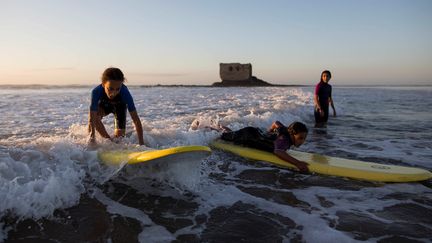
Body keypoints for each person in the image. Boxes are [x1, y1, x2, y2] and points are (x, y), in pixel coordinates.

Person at [220, 121, 309, 173]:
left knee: (232, 134)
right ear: (291, 134)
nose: (302, 141)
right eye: (300, 138)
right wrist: (298, 163)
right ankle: (209, 129)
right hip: (248, 136)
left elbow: (276, 123)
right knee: (222, 136)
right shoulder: (284, 139)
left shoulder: (285, 130)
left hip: (253, 132)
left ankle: (219, 126)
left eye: (304, 138)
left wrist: (268, 133)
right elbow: (278, 151)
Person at [88, 67, 144, 145]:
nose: (113, 93)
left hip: (119, 108)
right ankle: (109, 142)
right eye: (110, 89)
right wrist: (92, 138)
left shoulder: (125, 93)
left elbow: (136, 120)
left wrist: (142, 144)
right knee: (95, 118)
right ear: (103, 84)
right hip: (103, 107)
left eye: (117, 89)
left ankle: (113, 144)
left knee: (119, 140)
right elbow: (92, 119)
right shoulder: (96, 92)